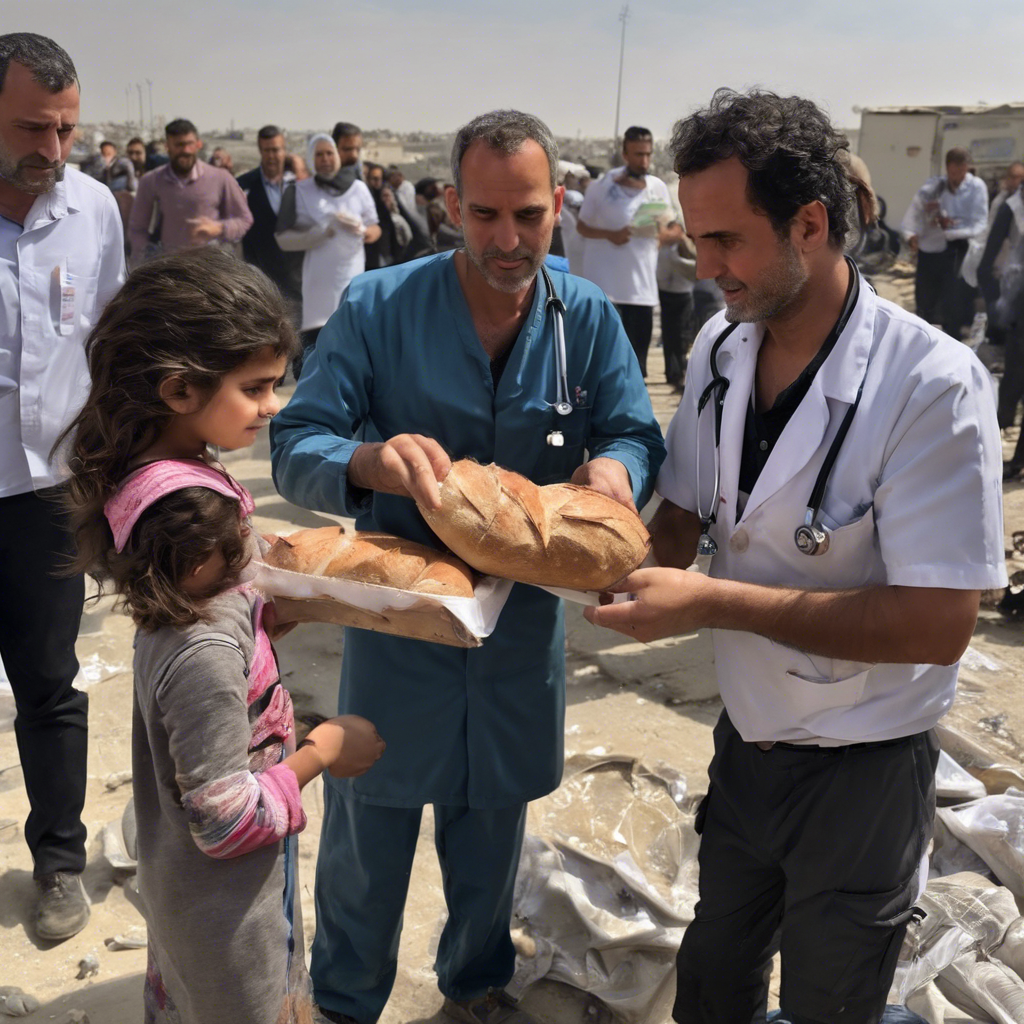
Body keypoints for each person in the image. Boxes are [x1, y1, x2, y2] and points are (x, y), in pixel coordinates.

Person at [584, 89, 1006, 1024]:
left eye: (728, 240)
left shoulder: (929, 385)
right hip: (749, 747)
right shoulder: (721, 354)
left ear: (810, 224)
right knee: (713, 987)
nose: (706, 265)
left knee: (830, 1003)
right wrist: (590, 531)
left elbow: (936, 625)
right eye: (695, 240)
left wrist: (707, 604)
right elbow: (683, 521)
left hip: (864, 768)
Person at [270, 108, 666, 1024]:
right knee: (372, 828)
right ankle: (344, 998)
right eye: (485, 215)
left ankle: (476, 982)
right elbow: (296, 442)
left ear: (558, 207)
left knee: (494, 821)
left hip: (520, 630)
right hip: (400, 620)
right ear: (452, 205)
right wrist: (365, 463)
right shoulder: (379, 307)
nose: (508, 238)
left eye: (528, 215)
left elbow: (633, 429)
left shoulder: (588, 315)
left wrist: (617, 471)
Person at [58, 246, 387, 1024]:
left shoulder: (161, 512)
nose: (274, 404)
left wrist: (273, 611)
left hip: (185, 885)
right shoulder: (204, 652)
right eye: (256, 387)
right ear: (179, 388)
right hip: (227, 911)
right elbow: (227, 819)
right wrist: (325, 751)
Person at [0, 31, 125, 941]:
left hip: (47, 494)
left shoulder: (92, 211)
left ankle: (59, 862)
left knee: (48, 683)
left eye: (65, 131)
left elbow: (111, 348)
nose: (50, 150)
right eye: (30, 129)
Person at [576, 126, 683, 377]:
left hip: (642, 291)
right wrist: (610, 235)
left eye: (647, 154)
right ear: (625, 154)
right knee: (604, 365)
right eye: (638, 155)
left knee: (637, 368)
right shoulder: (601, 187)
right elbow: (582, 226)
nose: (644, 161)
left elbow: (672, 228)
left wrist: (660, 235)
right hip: (605, 289)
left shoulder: (657, 187)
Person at [274, 133, 380, 377]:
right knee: (316, 357)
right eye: (318, 154)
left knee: (352, 352)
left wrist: (362, 230)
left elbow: (376, 229)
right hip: (316, 290)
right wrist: (318, 235)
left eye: (329, 153)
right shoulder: (299, 191)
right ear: (311, 159)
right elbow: (282, 239)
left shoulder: (358, 189)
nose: (325, 159)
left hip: (352, 280)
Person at [128, 118, 252, 262]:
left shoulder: (221, 178)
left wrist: (219, 228)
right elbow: (137, 228)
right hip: (169, 268)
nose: (185, 151)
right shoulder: (151, 181)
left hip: (211, 267)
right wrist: (149, 258)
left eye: (189, 144)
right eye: (179, 145)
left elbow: (244, 220)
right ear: (167, 146)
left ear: (198, 144)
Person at [901, 147, 988, 337]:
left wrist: (953, 232)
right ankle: (923, 337)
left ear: (966, 168)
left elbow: (981, 224)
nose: (956, 177)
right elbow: (913, 213)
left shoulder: (976, 188)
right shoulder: (933, 187)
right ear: (948, 168)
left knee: (953, 301)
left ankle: (953, 336)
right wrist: (910, 235)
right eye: (953, 172)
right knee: (925, 300)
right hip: (930, 250)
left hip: (959, 250)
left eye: (961, 172)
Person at [979, 176, 1024, 477]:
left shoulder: (1013, 206)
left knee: (1013, 381)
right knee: (1012, 382)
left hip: (1018, 307)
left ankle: (1003, 458)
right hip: (1018, 306)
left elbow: (986, 267)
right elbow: (984, 267)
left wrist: (998, 311)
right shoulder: (1012, 207)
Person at [237, 124, 303, 311]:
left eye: (276, 150)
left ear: (284, 150)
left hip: (298, 285)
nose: (272, 156)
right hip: (261, 287)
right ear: (260, 151)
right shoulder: (243, 186)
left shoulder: (300, 184)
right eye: (267, 150)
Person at [656, 234, 697, 389]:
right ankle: (674, 372)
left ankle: (677, 372)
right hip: (672, 293)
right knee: (674, 336)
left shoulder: (680, 245)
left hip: (679, 293)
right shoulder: (667, 247)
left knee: (677, 336)